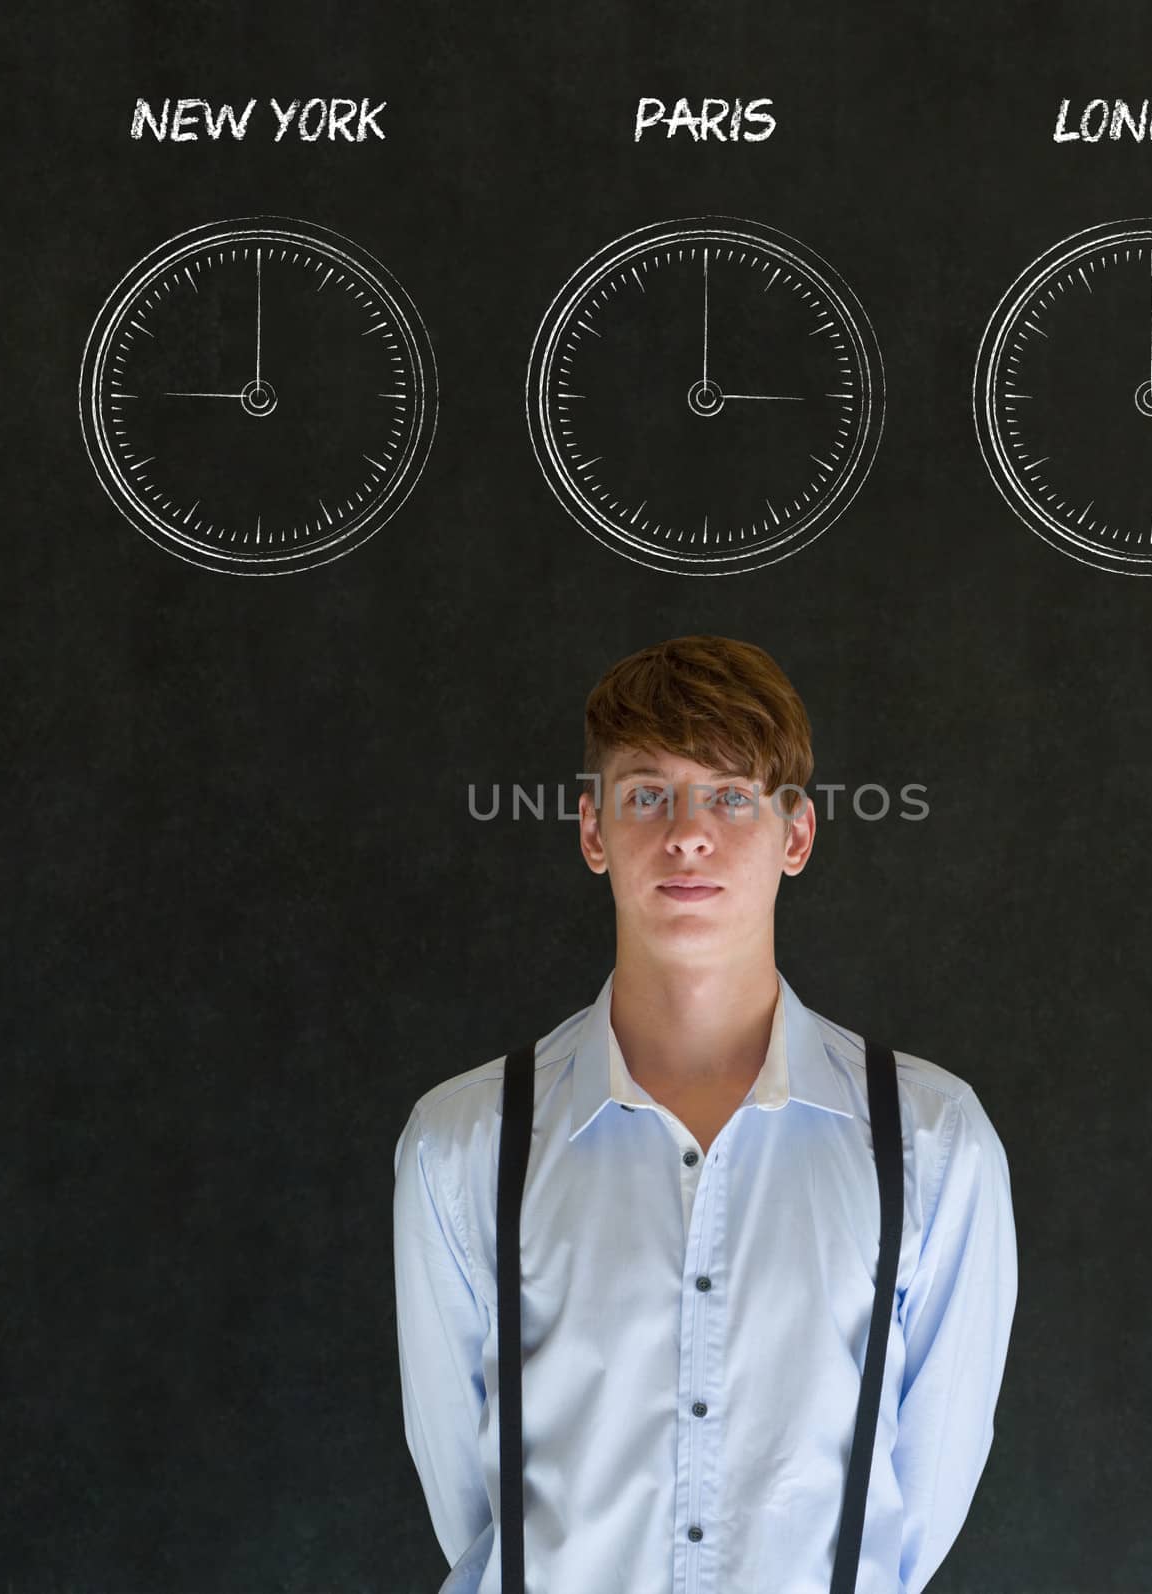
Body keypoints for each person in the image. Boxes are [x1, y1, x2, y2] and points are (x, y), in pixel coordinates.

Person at [392, 634, 1017, 1592]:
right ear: (592, 830)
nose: (689, 834)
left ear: (796, 835)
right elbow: (472, 1510)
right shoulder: (465, 1144)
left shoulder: (931, 1142)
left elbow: (917, 1514)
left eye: (730, 796)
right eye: (648, 795)